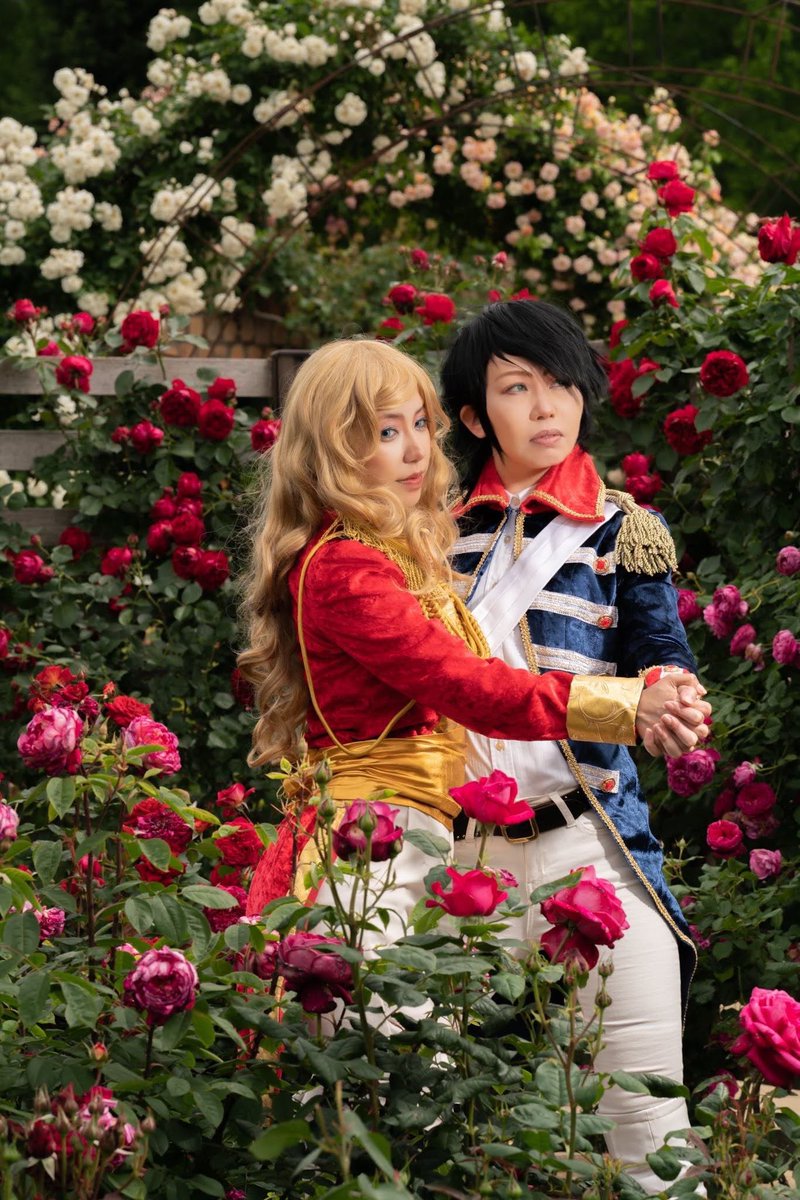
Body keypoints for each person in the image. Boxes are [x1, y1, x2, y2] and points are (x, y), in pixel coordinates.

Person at [240, 338, 709, 955]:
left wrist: (669, 685)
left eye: (419, 425)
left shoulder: (399, 545)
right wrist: (626, 705)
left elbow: (655, 636)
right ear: (333, 448)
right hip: (376, 842)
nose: (416, 451)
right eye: (386, 432)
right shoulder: (352, 565)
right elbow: (466, 684)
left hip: (442, 838)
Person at [440, 299, 704, 1194]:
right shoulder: (427, 534)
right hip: (450, 859)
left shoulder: (624, 529)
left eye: (561, 383)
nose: (547, 405)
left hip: (588, 845)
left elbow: (660, 651)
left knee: (651, 1140)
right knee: (435, 1134)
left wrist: (671, 698)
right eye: (518, 388)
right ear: (477, 416)